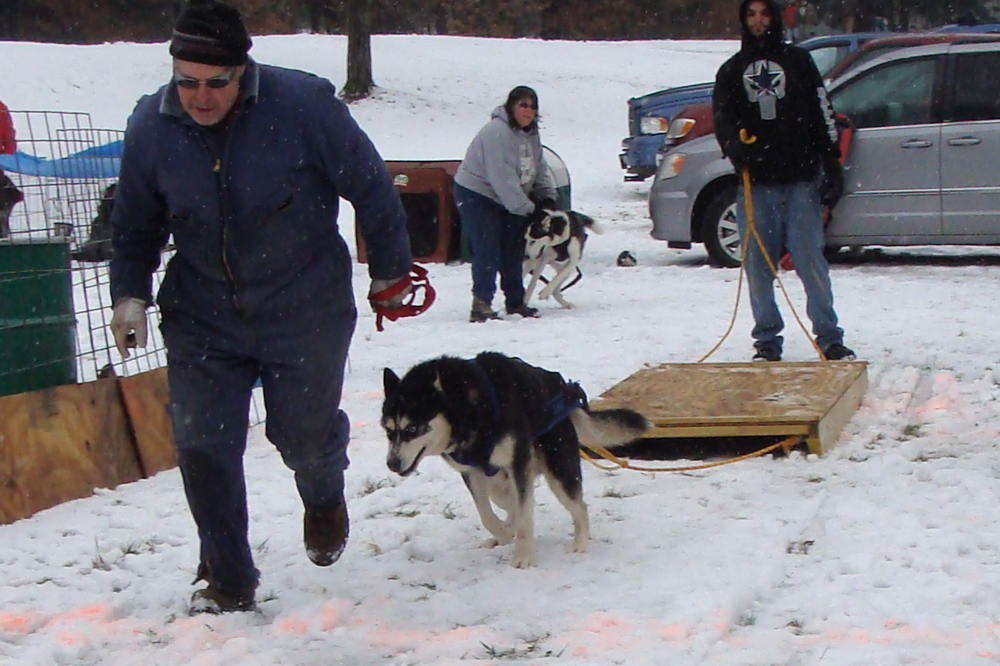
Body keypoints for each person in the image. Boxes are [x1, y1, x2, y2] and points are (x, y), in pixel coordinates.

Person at [109, 0, 412, 614]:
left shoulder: (302, 108)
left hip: (305, 306)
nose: (199, 96)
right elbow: (134, 221)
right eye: (186, 81)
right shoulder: (152, 126)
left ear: (241, 71)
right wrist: (129, 294)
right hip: (202, 315)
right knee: (202, 445)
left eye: (214, 82)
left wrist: (389, 269)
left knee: (301, 436)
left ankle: (323, 496)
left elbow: (371, 183)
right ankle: (228, 581)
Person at [712, 0, 855, 363]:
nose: (759, 22)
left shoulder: (800, 63)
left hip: (800, 178)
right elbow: (723, 118)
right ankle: (767, 340)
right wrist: (733, 147)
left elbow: (822, 112)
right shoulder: (731, 70)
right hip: (755, 182)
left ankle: (829, 337)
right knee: (758, 266)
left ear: (775, 18)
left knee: (809, 260)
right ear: (743, 20)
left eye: (765, 14)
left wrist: (831, 162)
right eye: (751, 15)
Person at [454, 85, 558, 323]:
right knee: (487, 247)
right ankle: (481, 304)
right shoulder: (496, 133)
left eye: (532, 106)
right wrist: (529, 210)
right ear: (511, 106)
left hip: (510, 197)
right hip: (478, 193)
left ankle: (515, 302)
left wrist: (547, 197)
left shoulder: (531, 133)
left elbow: (538, 167)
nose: (528, 111)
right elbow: (502, 179)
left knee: (514, 248)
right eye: (523, 105)